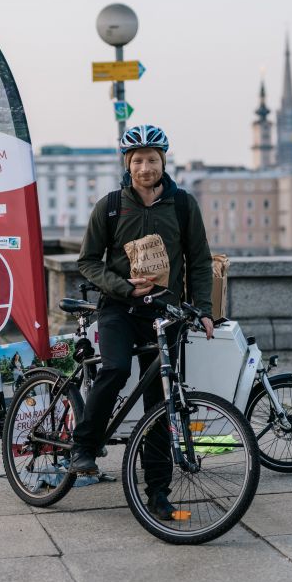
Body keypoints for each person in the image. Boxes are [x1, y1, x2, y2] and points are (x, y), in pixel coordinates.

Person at [70, 124, 215, 521]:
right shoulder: (111, 206)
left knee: (162, 402)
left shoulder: (183, 205)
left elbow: (200, 261)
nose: (145, 167)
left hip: (165, 313)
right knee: (114, 369)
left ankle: (158, 493)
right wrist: (122, 286)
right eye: (138, 161)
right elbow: (86, 261)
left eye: (152, 160)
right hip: (119, 307)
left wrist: (202, 308)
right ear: (128, 165)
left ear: (163, 163)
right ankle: (84, 445)